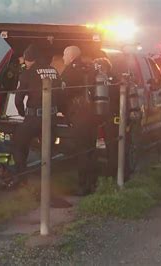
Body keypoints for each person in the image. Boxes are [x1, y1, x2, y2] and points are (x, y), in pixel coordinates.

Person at [12, 44, 61, 183]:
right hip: (52, 117)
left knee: (19, 143)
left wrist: (22, 113)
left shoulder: (28, 73)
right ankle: (46, 178)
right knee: (48, 149)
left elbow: (18, 98)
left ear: (29, 59)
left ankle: (22, 178)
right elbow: (62, 92)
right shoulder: (53, 70)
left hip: (34, 118)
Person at [61, 46, 98, 196]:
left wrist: (65, 114)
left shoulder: (70, 71)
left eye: (64, 55)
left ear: (71, 56)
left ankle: (83, 187)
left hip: (79, 115)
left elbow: (62, 94)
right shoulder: (90, 68)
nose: (63, 58)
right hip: (93, 115)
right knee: (91, 150)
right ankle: (93, 183)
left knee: (82, 152)